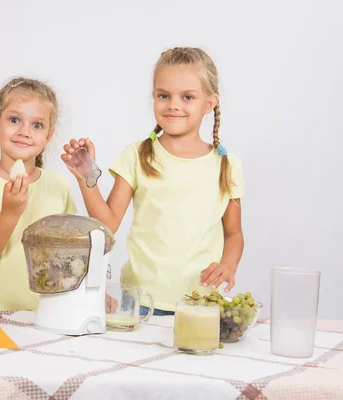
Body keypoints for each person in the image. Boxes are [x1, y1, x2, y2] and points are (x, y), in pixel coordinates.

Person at [62, 47, 244, 315]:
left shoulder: (226, 165)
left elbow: (234, 233)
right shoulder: (137, 155)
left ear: (209, 103)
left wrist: (228, 265)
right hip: (141, 302)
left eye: (187, 97)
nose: (173, 104)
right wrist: (85, 177)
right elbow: (108, 224)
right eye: (163, 95)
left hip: (202, 304)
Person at [0, 77, 76, 311]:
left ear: (48, 136)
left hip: (44, 314)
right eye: (14, 120)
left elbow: (71, 258)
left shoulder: (58, 186)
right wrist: (10, 213)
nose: (25, 132)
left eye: (37, 125)